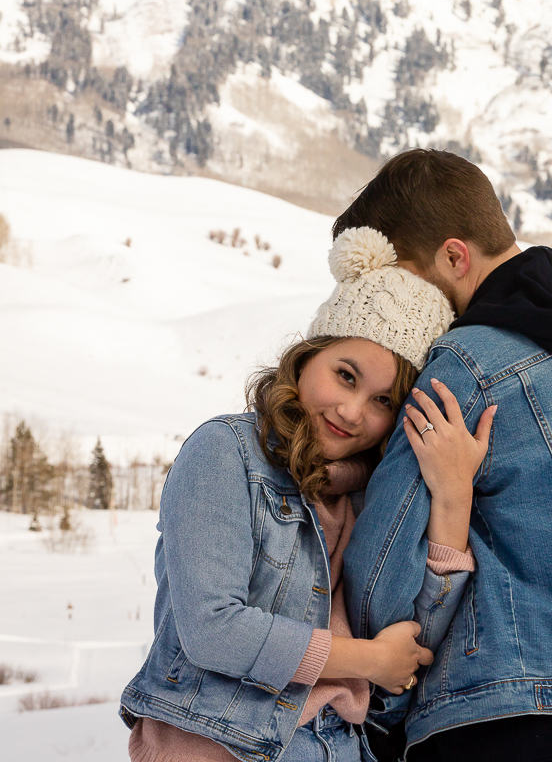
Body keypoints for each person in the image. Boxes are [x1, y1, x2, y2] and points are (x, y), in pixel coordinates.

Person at [120, 226, 496, 762]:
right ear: (306, 359)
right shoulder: (225, 451)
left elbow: (415, 640)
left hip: (335, 746)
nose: (352, 412)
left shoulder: (369, 497)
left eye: (382, 401)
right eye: (345, 376)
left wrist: (453, 496)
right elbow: (212, 628)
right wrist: (367, 661)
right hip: (217, 743)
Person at [342, 149, 552, 761]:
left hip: (494, 718)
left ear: (455, 257)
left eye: (403, 277)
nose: (399, 300)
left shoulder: (462, 367)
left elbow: (378, 578)